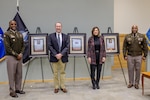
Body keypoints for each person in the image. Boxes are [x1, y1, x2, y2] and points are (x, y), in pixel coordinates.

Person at [4, 20, 25, 98]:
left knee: (19, 74)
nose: (13, 25)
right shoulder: (7, 34)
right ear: (9, 25)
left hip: (19, 56)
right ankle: (12, 91)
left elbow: (23, 45)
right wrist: (16, 55)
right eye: (12, 24)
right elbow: (7, 47)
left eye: (15, 24)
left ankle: (18, 89)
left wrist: (21, 53)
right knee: (11, 75)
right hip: (11, 57)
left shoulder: (19, 34)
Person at [123, 25, 148, 89]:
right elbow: (124, 47)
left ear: (137, 29)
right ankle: (130, 83)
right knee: (130, 69)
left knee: (138, 70)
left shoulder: (142, 36)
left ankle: (137, 83)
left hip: (139, 56)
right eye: (133, 28)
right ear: (131, 29)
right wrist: (124, 55)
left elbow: (145, 46)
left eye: (135, 28)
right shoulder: (127, 36)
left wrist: (145, 55)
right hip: (130, 55)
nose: (134, 29)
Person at [48, 22, 69, 93]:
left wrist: (61, 54)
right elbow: (49, 46)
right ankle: (56, 87)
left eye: (59, 26)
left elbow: (67, 46)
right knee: (55, 73)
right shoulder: (51, 36)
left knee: (62, 72)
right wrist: (56, 54)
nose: (58, 27)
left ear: (61, 27)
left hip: (63, 57)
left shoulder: (66, 36)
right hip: (54, 57)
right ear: (55, 27)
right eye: (57, 26)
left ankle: (63, 86)